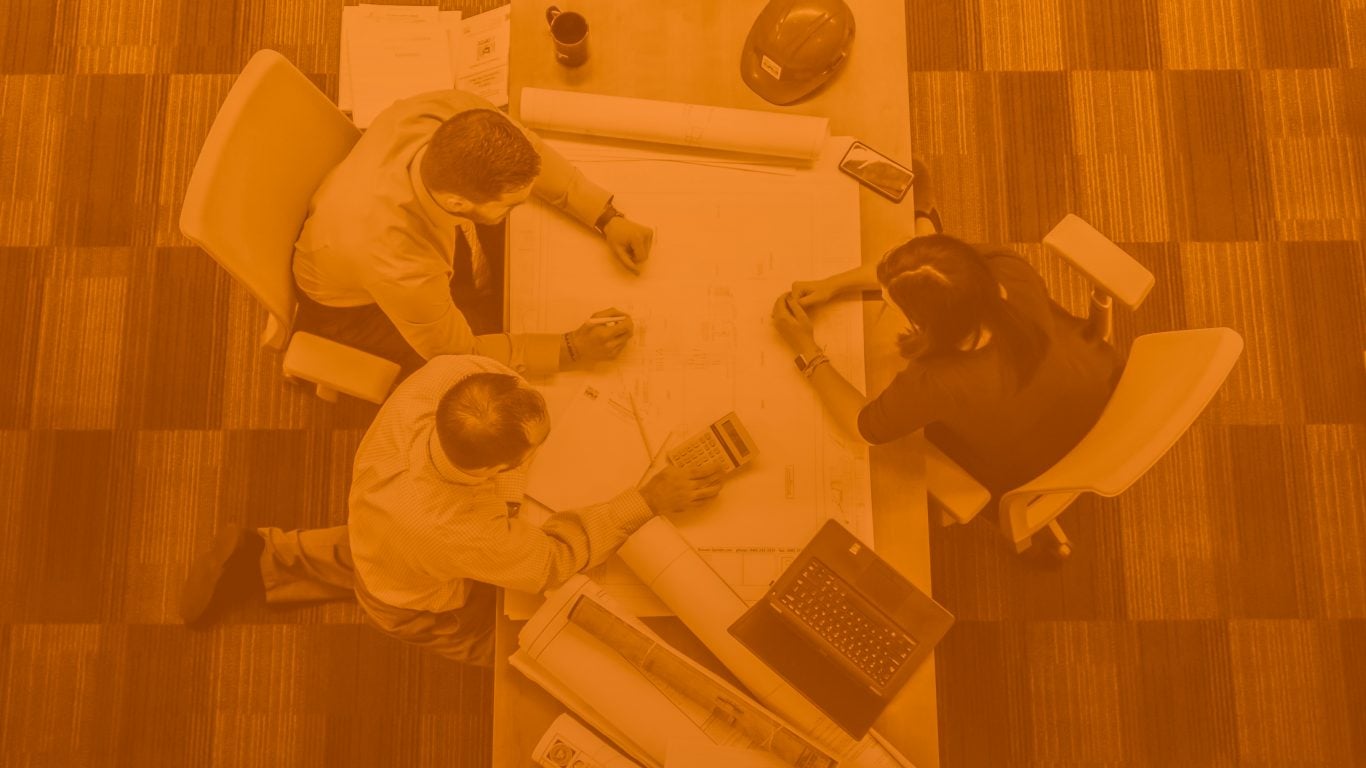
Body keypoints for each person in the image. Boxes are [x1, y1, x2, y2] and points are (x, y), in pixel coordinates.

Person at [179, 355, 725, 666]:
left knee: (371, 548)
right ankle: (272, 562)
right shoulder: (456, 530)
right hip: (413, 598)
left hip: (380, 519)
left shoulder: (445, 380)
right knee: (512, 648)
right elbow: (553, 561)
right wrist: (646, 499)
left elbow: (504, 373)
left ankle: (266, 555)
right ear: (490, 471)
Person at [770, 169, 1122, 500]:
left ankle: (925, 214)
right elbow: (935, 271)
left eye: (891, 302)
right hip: (1100, 382)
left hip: (1037, 459)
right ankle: (926, 214)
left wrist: (806, 348)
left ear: (926, 325)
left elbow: (862, 428)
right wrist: (833, 286)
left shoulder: (939, 380)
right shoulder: (1004, 267)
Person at [292, 89, 657, 377]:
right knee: (488, 339)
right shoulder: (400, 261)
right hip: (352, 309)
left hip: (353, 225)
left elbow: (531, 150)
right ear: (458, 203)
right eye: (512, 204)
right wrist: (571, 349)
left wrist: (605, 216)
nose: (522, 208)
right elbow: (457, 353)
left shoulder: (451, 112)